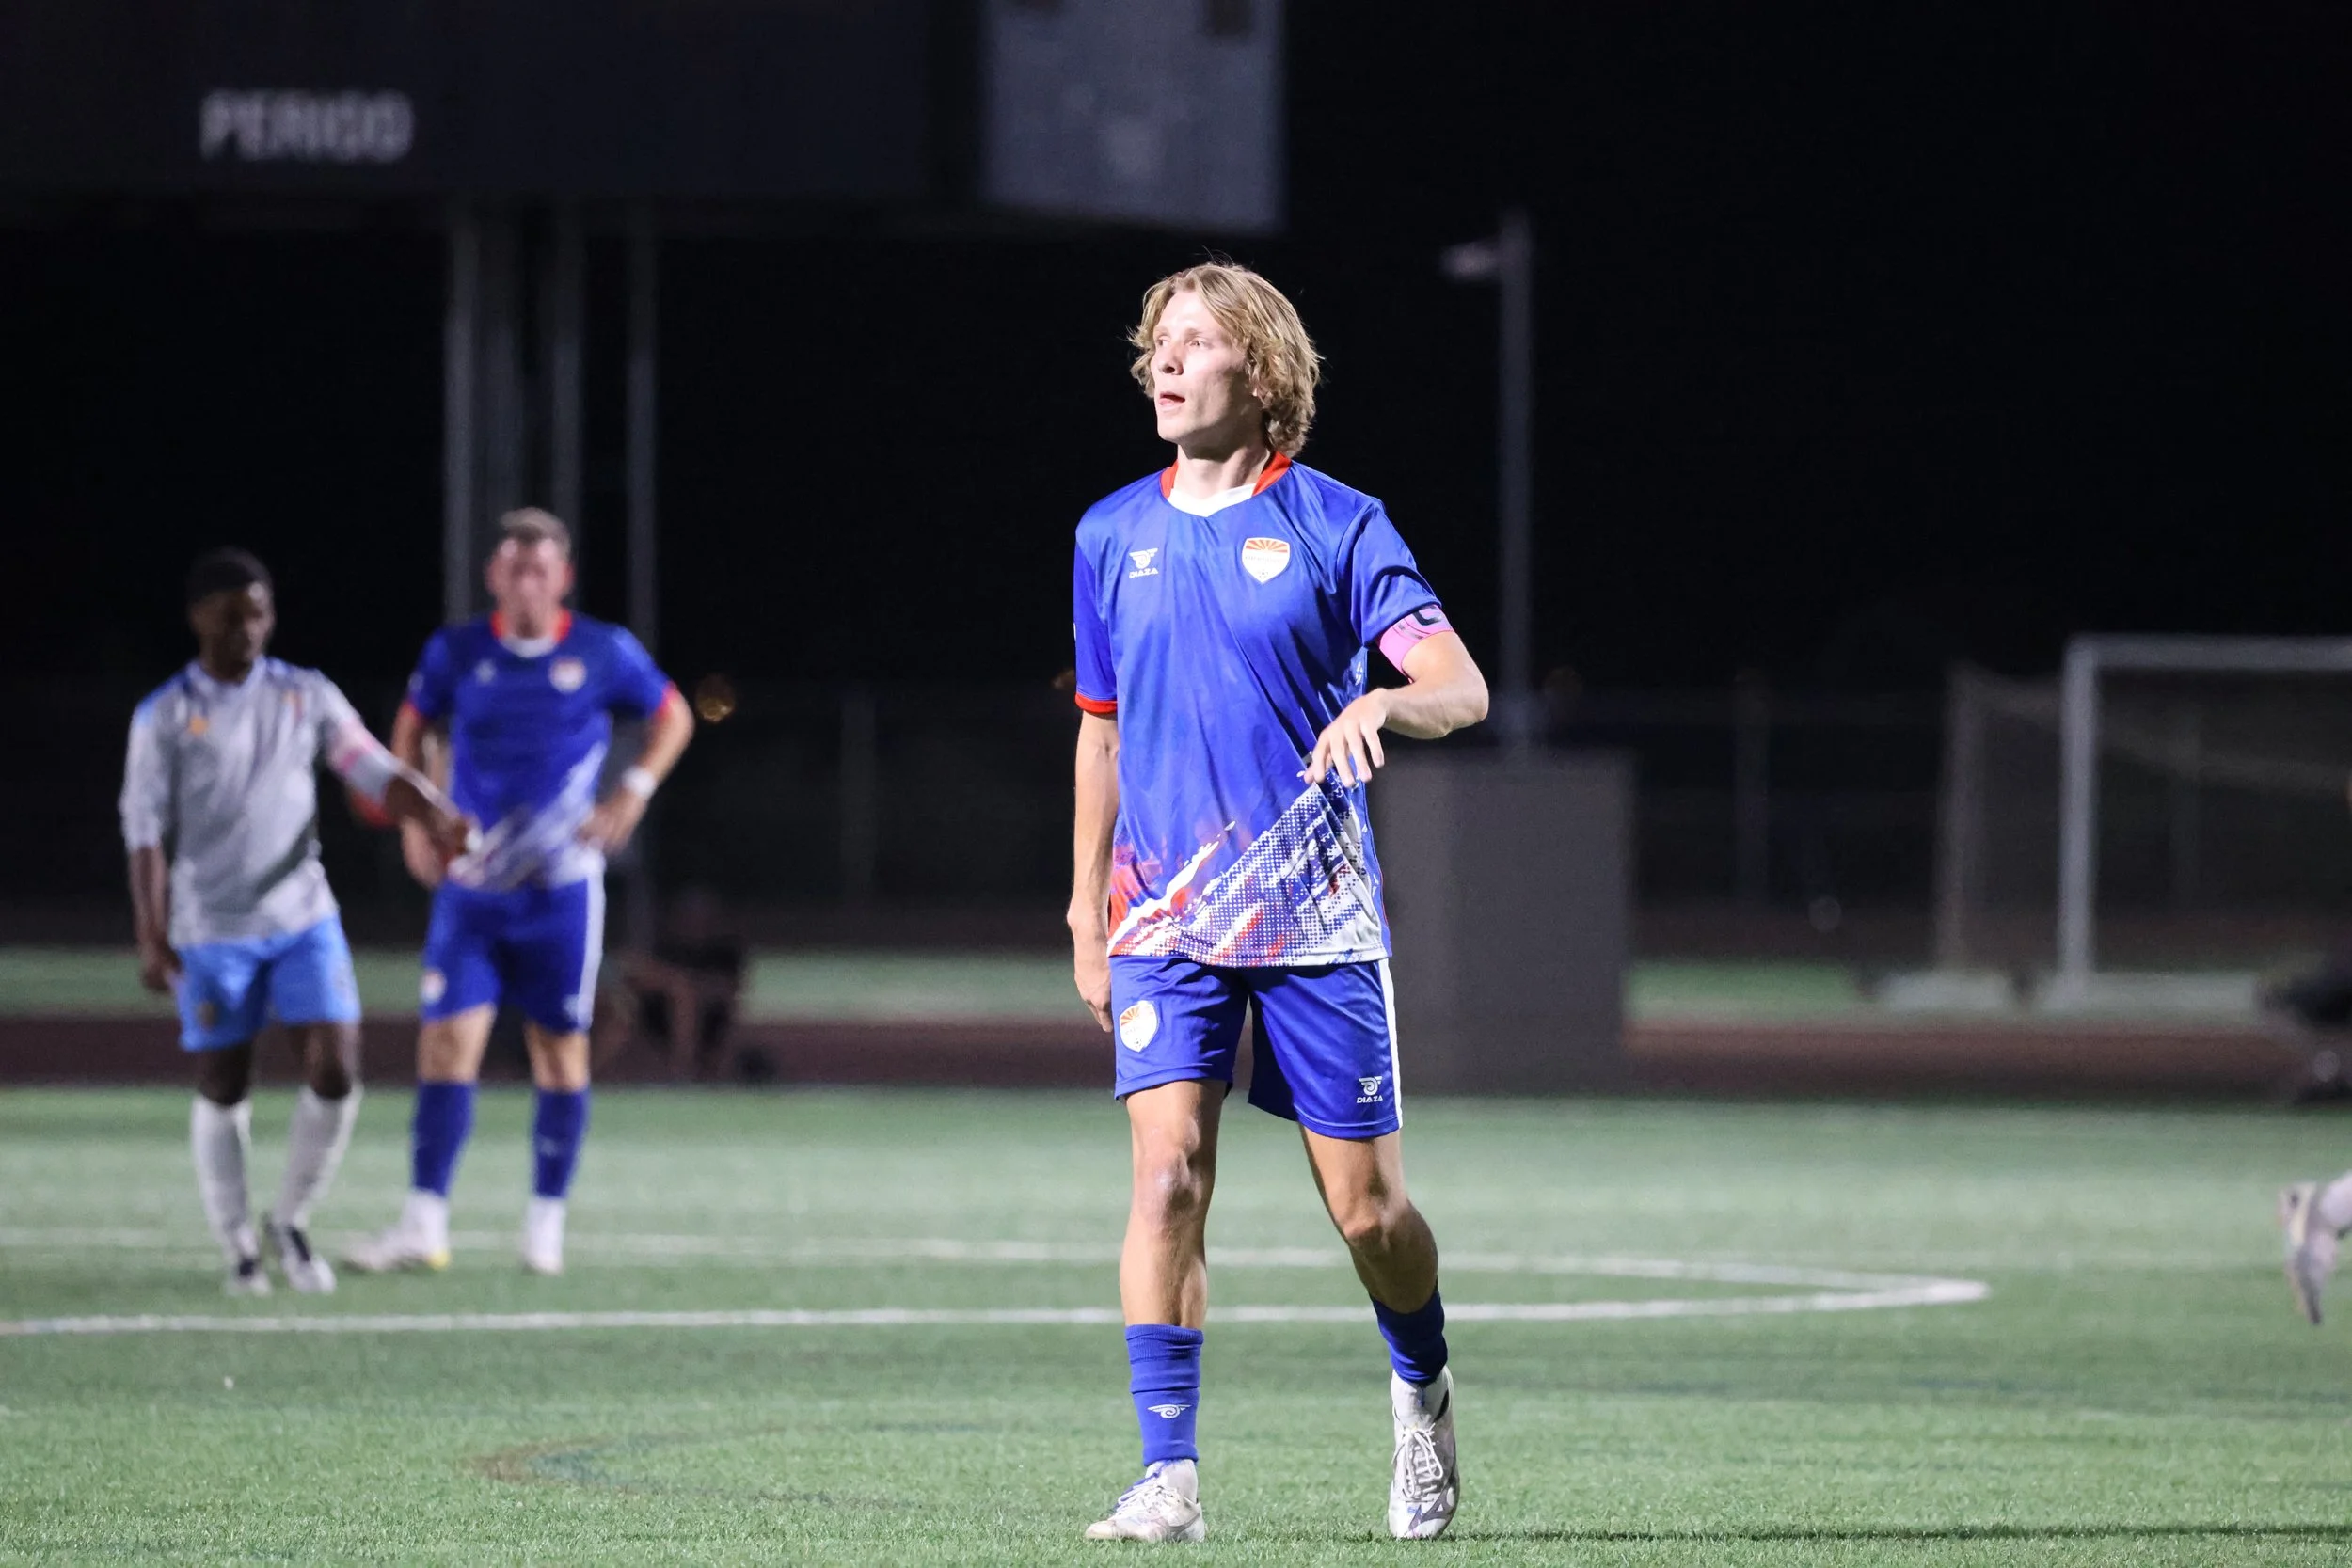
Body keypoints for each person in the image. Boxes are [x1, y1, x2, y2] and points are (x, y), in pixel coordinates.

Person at [1067, 263, 1490, 1543]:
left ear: (1261, 371)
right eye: (1158, 342)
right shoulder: (1108, 535)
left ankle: (1421, 1384)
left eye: (1196, 342)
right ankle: (1168, 1475)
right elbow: (1100, 730)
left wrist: (1386, 702)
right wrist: (1085, 908)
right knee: (1167, 1178)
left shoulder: (1338, 523)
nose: (1165, 362)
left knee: (1369, 1212)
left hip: (1313, 919)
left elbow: (1460, 686)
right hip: (1161, 919)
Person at [345, 508, 692, 1276]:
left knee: (559, 1050)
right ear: (493, 576)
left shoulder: (602, 650)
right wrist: (413, 822)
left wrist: (632, 791)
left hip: (560, 891)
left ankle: (544, 1226)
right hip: (472, 888)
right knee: (445, 1045)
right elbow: (409, 730)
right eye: (514, 566)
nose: (527, 580)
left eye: (541, 568)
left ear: (563, 577)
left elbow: (673, 716)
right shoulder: (457, 651)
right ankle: (423, 1223)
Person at [119, 548, 469, 1296]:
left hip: (303, 915)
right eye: (231, 613)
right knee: (225, 1080)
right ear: (198, 617)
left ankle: (290, 1219)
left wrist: (435, 813)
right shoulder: (165, 714)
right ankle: (237, 1243)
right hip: (211, 927)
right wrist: (151, 932)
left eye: (259, 612)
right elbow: (144, 831)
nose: (248, 627)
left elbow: (372, 769)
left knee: (337, 1068)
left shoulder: (304, 694)